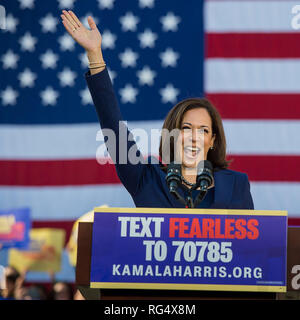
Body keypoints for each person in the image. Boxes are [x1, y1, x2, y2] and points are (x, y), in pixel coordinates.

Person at [60, 10, 254, 210]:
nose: (194, 137)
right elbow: (115, 132)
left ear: (212, 140)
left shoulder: (236, 184)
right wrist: (95, 55)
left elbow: (253, 238)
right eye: (186, 128)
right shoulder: (146, 179)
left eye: (203, 130)